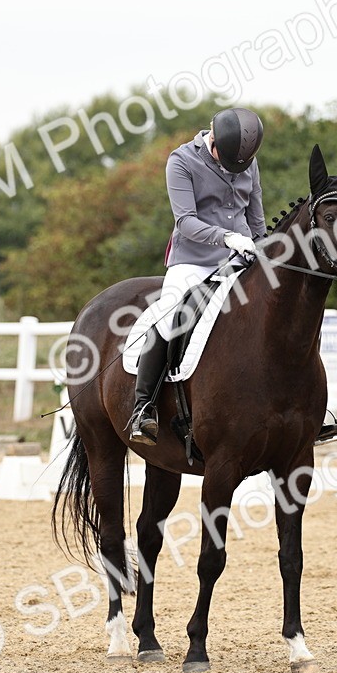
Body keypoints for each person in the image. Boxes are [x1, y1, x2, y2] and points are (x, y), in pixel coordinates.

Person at [127, 107, 265, 445]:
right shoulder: (181, 161)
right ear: (213, 139)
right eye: (228, 162)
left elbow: (256, 215)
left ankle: (308, 409)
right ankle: (143, 407)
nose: (235, 170)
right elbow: (185, 221)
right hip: (195, 260)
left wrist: (263, 249)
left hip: (240, 257)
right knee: (170, 315)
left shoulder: (245, 160)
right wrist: (227, 237)